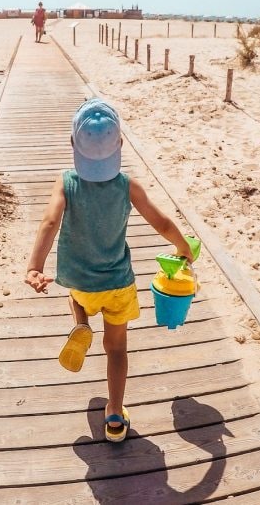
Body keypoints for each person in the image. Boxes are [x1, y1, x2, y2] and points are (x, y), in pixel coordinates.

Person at [23, 98, 196, 442]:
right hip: (118, 283)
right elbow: (160, 221)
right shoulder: (127, 186)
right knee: (116, 349)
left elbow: (49, 221)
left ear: (73, 143)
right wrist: (183, 248)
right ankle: (115, 416)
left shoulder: (66, 182)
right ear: (120, 144)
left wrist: (35, 266)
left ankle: (81, 323)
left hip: (81, 281)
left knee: (76, 296)